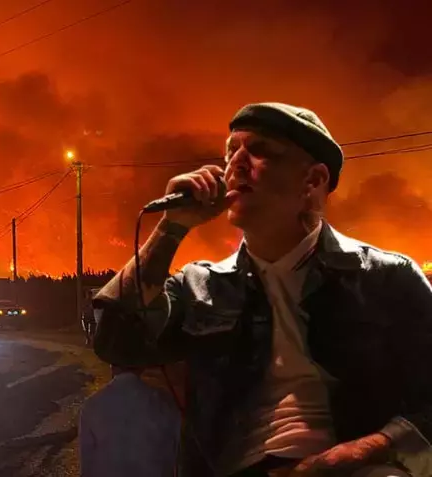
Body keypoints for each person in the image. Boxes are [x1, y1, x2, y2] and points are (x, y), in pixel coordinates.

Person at [93, 103, 430, 476]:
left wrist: (365, 451)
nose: (235, 164)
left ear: (313, 181)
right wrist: (171, 228)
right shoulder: (199, 285)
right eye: (230, 151)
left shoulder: (386, 277)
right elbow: (115, 342)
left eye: (260, 151)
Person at [79, 365, 181, 477]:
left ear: (112, 366)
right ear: (141, 366)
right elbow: (173, 454)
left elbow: (87, 463)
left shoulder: (92, 404)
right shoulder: (163, 402)